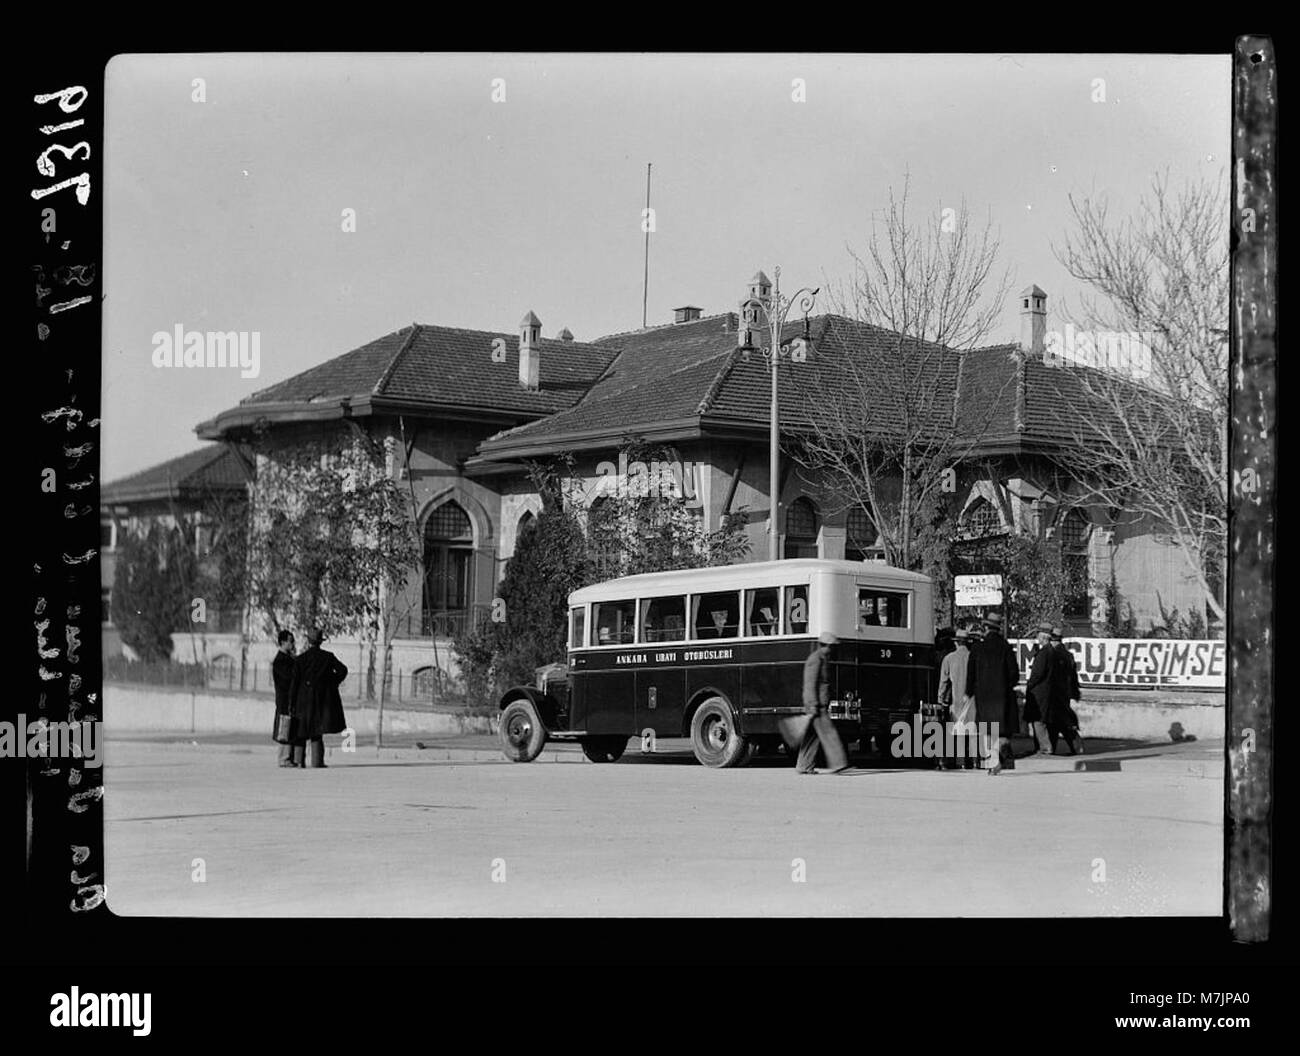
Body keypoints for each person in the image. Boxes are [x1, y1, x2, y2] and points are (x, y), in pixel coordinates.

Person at [965, 612, 1020, 774]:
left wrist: (969, 692)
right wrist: (1005, 685)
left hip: (983, 697)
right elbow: (1014, 674)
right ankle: (996, 755)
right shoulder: (1006, 647)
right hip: (1002, 697)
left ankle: (991, 757)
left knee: (987, 729)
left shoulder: (977, 648)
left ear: (986, 628)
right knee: (1002, 731)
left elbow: (971, 674)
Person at [288, 628, 349, 769]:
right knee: (317, 732)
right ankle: (317, 762)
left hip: (302, 701)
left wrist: (291, 703)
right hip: (322, 700)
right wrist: (331, 683)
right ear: (320, 642)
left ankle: (298, 761)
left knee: (301, 732)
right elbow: (343, 670)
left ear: (308, 641)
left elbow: (294, 684)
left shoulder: (300, 659)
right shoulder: (328, 657)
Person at [796, 632, 850, 775]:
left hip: (819, 703)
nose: (833, 649)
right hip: (817, 704)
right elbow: (810, 683)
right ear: (826, 646)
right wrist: (812, 704)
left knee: (811, 737)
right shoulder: (816, 659)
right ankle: (839, 764)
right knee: (828, 733)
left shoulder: (823, 658)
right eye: (832, 646)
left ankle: (803, 765)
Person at [937, 627, 977, 769]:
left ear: (956, 643)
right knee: (971, 731)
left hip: (956, 701)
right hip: (971, 700)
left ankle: (957, 761)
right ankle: (972, 760)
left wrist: (941, 700)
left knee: (956, 731)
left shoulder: (948, 659)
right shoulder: (974, 657)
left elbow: (944, 683)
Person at [1048, 628, 1085, 755]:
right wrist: (1075, 692)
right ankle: (1072, 747)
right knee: (1060, 721)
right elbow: (1073, 676)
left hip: (1055, 693)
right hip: (1065, 693)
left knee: (1058, 722)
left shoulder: (1052, 654)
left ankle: (1072, 747)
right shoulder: (1068, 655)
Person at [1023, 622, 1057, 755]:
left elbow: (1037, 674)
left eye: (1038, 635)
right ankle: (1040, 747)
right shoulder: (1051, 652)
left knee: (1038, 721)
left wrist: (1029, 684)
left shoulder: (1043, 653)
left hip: (1039, 692)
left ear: (1043, 637)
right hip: (1046, 691)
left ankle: (1045, 747)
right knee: (1040, 720)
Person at [272, 630, 298, 767]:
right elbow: (289, 679)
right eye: (290, 641)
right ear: (283, 642)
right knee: (284, 727)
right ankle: (284, 758)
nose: (293, 644)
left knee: (288, 726)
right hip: (284, 699)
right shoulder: (281, 661)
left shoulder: (288, 658)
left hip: (289, 699)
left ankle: (287, 757)